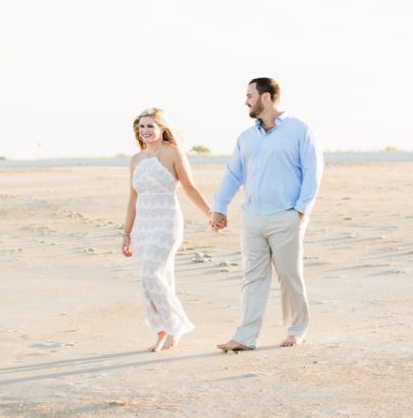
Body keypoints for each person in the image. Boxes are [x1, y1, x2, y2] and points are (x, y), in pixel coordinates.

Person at [209, 77, 322, 352]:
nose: (246, 100)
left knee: (289, 275)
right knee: (252, 277)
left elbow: (313, 170)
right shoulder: (246, 138)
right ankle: (245, 337)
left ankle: (297, 331)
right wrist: (219, 207)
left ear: (267, 96)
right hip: (252, 218)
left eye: (250, 95)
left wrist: (301, 210)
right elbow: (234, 175)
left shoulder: (299, 129)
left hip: (286, 215)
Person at [122, 108, 213, 352]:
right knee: (155, 279)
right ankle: (160, 330)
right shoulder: (136, 160)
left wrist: (210, 214)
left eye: (150, 126)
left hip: (166, 222)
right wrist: (126, 234)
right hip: (143, 227)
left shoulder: (173, 153)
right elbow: (132, 199)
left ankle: (176, 326)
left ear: (162, 128)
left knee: (150, 275)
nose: (145, 131)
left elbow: (189, 188)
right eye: (141, 127)